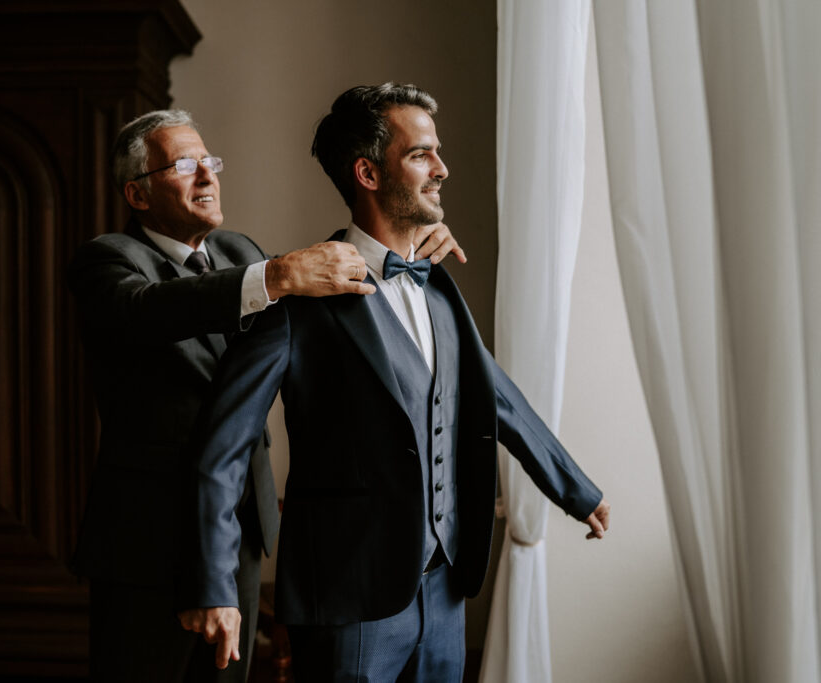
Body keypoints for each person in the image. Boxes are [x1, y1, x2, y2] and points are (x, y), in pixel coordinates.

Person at [182, 84, 611, 682]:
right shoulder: (297, 300)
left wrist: (576, 490)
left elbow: (493, 393)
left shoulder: (438, 285)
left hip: (445, 590)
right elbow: (222, 447)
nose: (442, 169)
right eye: (420, 154)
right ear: (368, 173)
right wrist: (213, 584)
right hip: (346, 598)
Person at [67, 108, 464, 683]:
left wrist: (408, 245)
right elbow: (145, 310)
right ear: (137, 193)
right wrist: (275, 276)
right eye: (184, 166)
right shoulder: (106, 260)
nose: (208, 176)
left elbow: (314, 307)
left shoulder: (240, 251)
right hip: (148, 544)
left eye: (210, 161)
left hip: (239, 534)